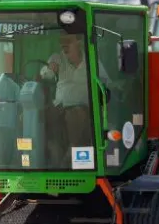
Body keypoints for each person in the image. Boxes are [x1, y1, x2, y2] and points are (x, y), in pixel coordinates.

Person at [38, 34, 111, 164]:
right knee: (35, 116)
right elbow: (44, 75)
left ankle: (70, 154)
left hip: (85, 109)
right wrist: (49, 69)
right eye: (62, 40)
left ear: (78, 41)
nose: (64, 44)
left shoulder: (91, 60)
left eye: (68, 40)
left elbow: (105, 82)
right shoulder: (57, 58)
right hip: (60, 107)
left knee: (77, 114)